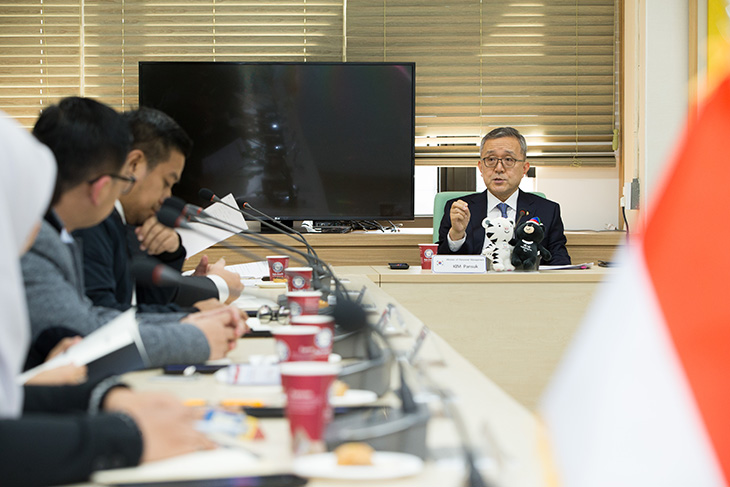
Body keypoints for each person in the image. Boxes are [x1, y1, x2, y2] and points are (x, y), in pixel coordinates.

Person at [0, 111, 215, 486]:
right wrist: (126, 433)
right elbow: (86, 323)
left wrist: (104, 397)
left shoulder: (75, 232)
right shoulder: (49, 241)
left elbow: (13, 399)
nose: (35, 228)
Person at [21, 97, 246, 369]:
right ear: (101, 185)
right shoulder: (33, 237)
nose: (121, 189)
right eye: (120, 179)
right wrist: (194, 332)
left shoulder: (57, 231)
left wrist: (187, 317)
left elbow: (97, 315)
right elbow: (85, 330)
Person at [74, 106, 243, 313]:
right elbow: (106, 319)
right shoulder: (91, 222)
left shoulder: (121, 222)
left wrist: (169, 255)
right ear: (134, 165)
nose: (167, 196)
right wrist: (198, 312)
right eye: (166, 182)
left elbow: (147, 303)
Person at [437, 127, 571, 265]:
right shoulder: (459, 209)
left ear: (524, 168)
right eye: (491, 159)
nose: (499, 168)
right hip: (474, 284)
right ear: (481, 167)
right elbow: (440, 263)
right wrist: (457, 234)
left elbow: (560, 261)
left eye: (508, 159)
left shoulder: (548, 210)